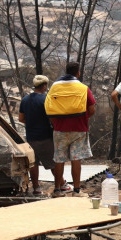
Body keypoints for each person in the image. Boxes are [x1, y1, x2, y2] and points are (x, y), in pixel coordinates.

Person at [44, 61, 96, 197]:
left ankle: (57, 190)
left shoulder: (55, 87)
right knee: (76, 158)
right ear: (78, 73)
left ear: (66, 71)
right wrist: (84, 118)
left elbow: (48, 107)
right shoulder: (83, 88)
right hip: (79, 128)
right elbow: (92, 109)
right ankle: (77, 190)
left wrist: (55, 122)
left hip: (60, 129)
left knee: (59, 159)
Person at [18, 75, 72, 195]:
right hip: (45, 137)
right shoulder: (47, 99)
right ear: (44, 86)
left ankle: (36, 188)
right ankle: (62, 184)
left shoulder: (25, 100)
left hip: (31, 137)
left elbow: (21, 118)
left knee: (34, 163)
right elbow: (52, 118)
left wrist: (32, 122)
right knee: (53, 163)